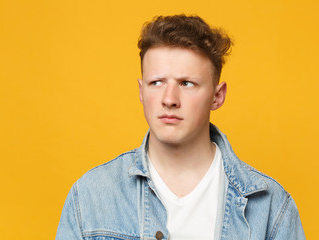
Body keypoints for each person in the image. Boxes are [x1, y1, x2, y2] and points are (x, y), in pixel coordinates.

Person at [56, 15, 305, 240]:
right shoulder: (90, 196)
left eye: (186, 83)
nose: (169, 99)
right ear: (141, 91)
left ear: (217, 96)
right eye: (156, 82)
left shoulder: (271, 206)